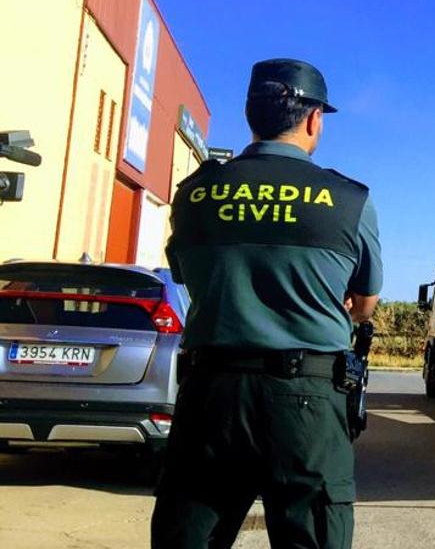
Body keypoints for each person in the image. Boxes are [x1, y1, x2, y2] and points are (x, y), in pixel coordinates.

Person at [152, 58, 383, 548]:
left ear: (250, 115)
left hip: (212, 395)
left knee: (188, 533)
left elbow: (186, 275)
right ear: (315, 118)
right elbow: (364, 303)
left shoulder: (194, 195)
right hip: (308, 402)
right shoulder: (348, 200)